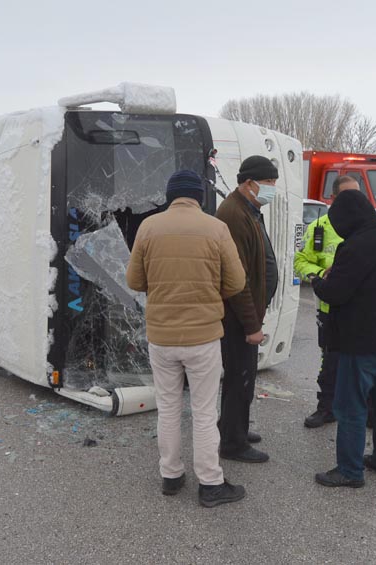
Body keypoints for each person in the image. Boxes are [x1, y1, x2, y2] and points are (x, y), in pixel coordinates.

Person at [126, 169, 248, 508]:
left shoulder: (149, 227)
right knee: (204, 411)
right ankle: (210, 484)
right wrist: (211, 293)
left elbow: (134, 280)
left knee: (167, 407)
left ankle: (171, 476)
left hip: (161, 336)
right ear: (199, 196)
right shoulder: (216, 228)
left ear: (170, 195)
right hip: (203, 336)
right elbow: (237, 282)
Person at [307, 189, 376, 488]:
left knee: (350, 407)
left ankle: (350, 471)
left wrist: (317, 280)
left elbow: (335, 293)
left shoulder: (356, 246)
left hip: (361, 341)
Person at [215, 155, 280, 464]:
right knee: (240, 377)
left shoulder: (251, 210)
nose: (272, 189)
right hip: (238, 316)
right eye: (268, 183)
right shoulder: (233, 214)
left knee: (244, 378)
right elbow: (236, 278)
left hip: (249, 311)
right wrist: (252, 324)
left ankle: (232, 427)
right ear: (249, 183)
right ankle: (232, 443)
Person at [294, 176, 360, 428]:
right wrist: (322, 274)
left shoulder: (370, 224)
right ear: (333, 198)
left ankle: (370, 410)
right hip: (329, 310)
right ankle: (327, 408)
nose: (354, 200)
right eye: (347, 194)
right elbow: (300, 261)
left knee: (363, 362)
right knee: (330, 362)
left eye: (357, 194)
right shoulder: (319, 228)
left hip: (360, 309)